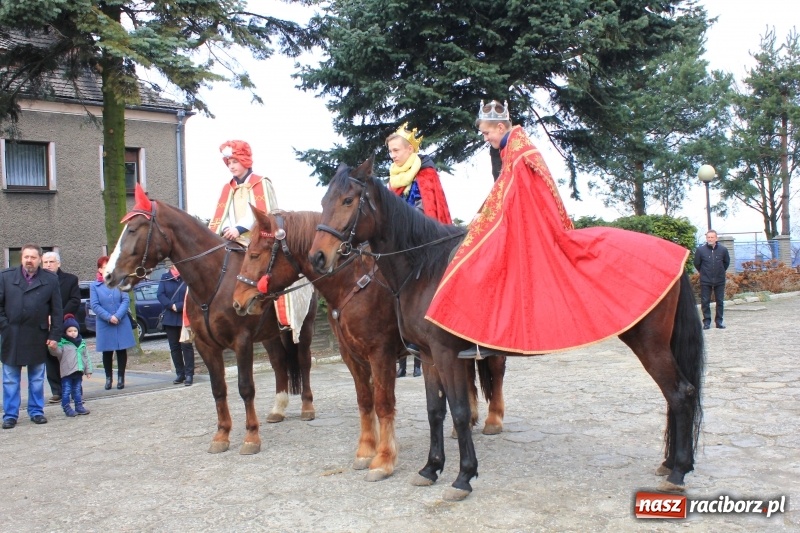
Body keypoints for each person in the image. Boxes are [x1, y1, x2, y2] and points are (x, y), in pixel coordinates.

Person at [425, 100, 690, 358]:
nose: (485, 138)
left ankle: (487, 337)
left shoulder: (518, 154)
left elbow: (518, 196)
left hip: (529, 227)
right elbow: (508, 195)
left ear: (500, 128)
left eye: (486, 132)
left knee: (482, 263)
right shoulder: (516, 150)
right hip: (523, 222)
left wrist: (491, 222)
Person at [208, 139, 314, 344]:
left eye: (235, 161)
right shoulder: (227, 188)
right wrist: (223, 230)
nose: (231, 166)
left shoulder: (260, 182)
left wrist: (239, 228)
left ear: (245, 161)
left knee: (275, 267)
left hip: (258, 238)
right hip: (233, 238)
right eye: (228, 162)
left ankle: (287, 317)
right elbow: (222, 213)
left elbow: (262, 213)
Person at [386, 123, 453, 377]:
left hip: (423, 242)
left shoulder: (425, 175)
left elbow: (425, 211)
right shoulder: (393, 178)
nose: (392, 155)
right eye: (390, 152)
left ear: (409, 149)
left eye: (396, 150)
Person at [0, 243, 63, 428]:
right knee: (10, 378)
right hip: (13, 335)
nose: (29, 260)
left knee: (36, 378)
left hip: (38, 335)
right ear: (21, 258)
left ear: (39, 260)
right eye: (26, 257)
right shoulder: (5, 277)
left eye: (33, 257)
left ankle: (36, 411)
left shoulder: (50, 280)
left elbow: (57, 310)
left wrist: (55, 335)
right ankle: (10, 415)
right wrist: (5, 327)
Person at [41, 251, 81, 404]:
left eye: (51, 262)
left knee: (69, 358)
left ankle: (73, 390)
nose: (48, 265)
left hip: (65, 324)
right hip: (46, 324)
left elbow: (75, 301)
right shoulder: (38, 280)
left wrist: (58, 316)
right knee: (50, 357)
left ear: (58, 263)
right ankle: (57, 391)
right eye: (45, 262)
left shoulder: (70, 279)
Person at [91, 256, 135, 390]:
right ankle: (108, 378)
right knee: (107, 352)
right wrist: (109, 317)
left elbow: (125, 300)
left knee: (122, 350)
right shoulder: (94, 286)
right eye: (105, 266)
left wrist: (118, 315)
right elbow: (95, 305)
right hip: (105, 323)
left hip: (121, 321)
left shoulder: (120, 281)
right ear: (100, 269)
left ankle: (121, 378)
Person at [157, 263, 195, 386]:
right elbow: (160, 295)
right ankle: (180, 373)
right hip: (170, 317)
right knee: (174, 348)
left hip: (184, 317)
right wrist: (171, 305)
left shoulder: (187, 277)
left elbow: (191, 294)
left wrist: (178, 306)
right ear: (172, 265)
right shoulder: (165, 277)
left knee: (186, 346)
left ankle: (189, 374)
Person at [47, 314, 92, 416]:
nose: (73, 333)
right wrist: (52, 347)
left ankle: (79, 406)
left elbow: (86, 357)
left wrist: (88, 370)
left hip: (78, 371)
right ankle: (66, 407)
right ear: (65, 332)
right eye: (70, 331)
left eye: (75, 331)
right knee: (66, 390)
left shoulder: (81, 343)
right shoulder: (63, 343)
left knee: (77, 390)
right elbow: (57, 353)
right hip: (67, 372)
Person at [694, 229, 730, 329]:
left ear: (716, 238)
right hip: (705, 279)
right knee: (705, 301)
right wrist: (704, 272)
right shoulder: (700, 250)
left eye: (712, 237)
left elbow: (726, 263)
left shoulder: (723, 250)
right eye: (708, 237)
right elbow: (697, 263)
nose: (710, 239)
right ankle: (706, 322)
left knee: (720, 301)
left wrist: (720, 271)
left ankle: (719, 322)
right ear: (706, 238)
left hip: (719, 279)